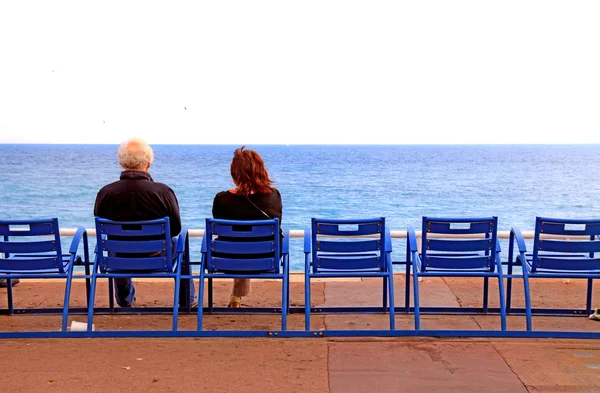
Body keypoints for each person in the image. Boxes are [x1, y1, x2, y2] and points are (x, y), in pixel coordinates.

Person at [94, 137, 195, 307]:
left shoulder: (106, 193)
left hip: (120, 258)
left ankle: (124, 299)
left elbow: (102, 225)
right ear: (148, 163)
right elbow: (176, 229)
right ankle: (185, 300)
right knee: (181, 244)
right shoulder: (163, 192)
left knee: (114, 245)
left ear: (122, 162)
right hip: (157, 256)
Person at [212, 146, 283, 308]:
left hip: (227, 258)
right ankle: (236, 297)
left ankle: (236, 298)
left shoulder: (222, 199)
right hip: (266, 257)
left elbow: (219, 226)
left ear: (234, 173)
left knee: (240, 241)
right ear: (261, 171)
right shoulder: (273, 196)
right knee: (250, 242)